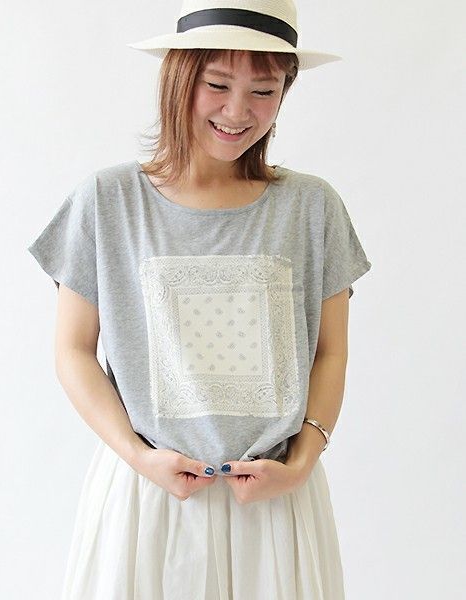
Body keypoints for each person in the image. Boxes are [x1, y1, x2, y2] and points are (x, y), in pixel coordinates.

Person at [27, 1, 372, 598]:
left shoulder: (311, 207)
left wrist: (301, 463)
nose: (238, 111)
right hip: (146, 499)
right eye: (217, 84)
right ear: (179, 77)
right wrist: (140, 459)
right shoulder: (109, 201)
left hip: (276, 502)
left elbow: (330, 352)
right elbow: (74, 352)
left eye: (263, 91)